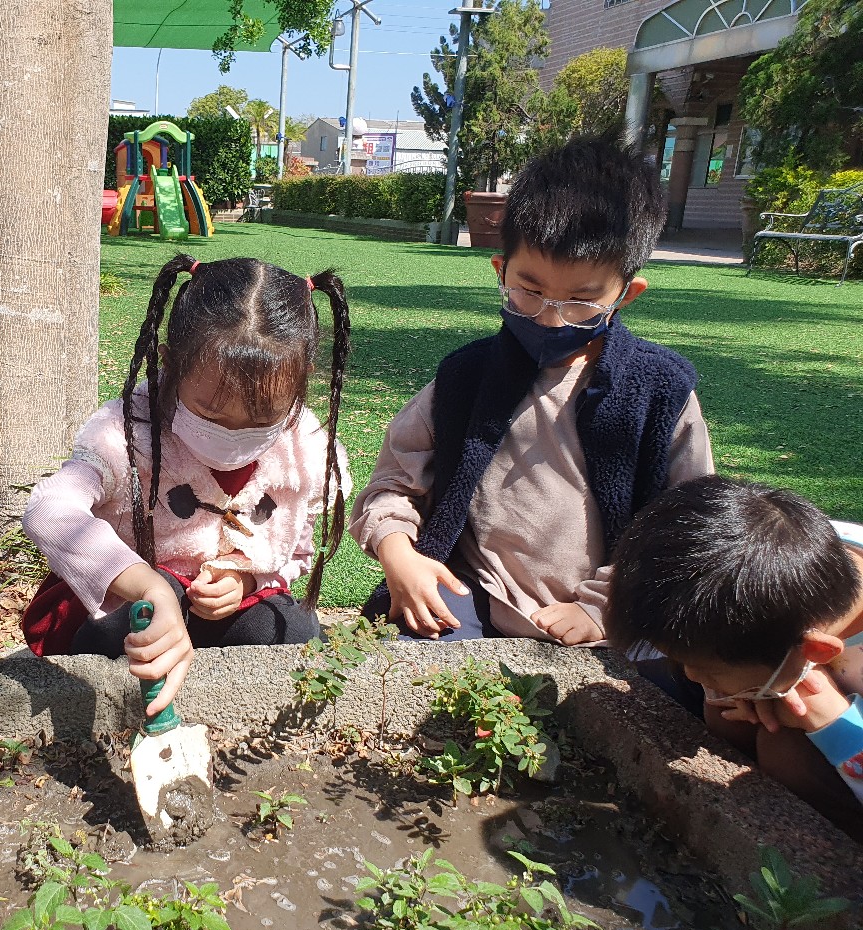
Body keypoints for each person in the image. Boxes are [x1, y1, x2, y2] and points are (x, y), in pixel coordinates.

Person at [349, 136, 713, 645]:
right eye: (530, 291)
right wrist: (398, 553)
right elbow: (393, 484)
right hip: (473, 596)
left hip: (611, 615)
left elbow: (687, 526)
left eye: (582, 301)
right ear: (501, 271)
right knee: (399, 659)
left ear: (626, 294)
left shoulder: (660, 391)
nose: (550, 318)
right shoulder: (464, 377)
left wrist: (603, 606)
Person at [21, 254, 351, 713]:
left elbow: (295, 552)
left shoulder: (305, 449)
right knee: (154, 602)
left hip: (219, 614)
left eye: (262, 417)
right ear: (170, 364)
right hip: (120, 611)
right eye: (210, 413)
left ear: (300, 383)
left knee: (294, 630)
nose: (233, 435)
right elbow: (48, 510)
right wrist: (149, 587)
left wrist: (248, 579)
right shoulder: (127, 431)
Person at [608, 475, 863, 840]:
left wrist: (832, 721)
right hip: (775, 668)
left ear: (816, 650)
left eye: (706, 669)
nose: (692, 674)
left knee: (786, 754)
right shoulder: (776, 562)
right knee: (720, 711)